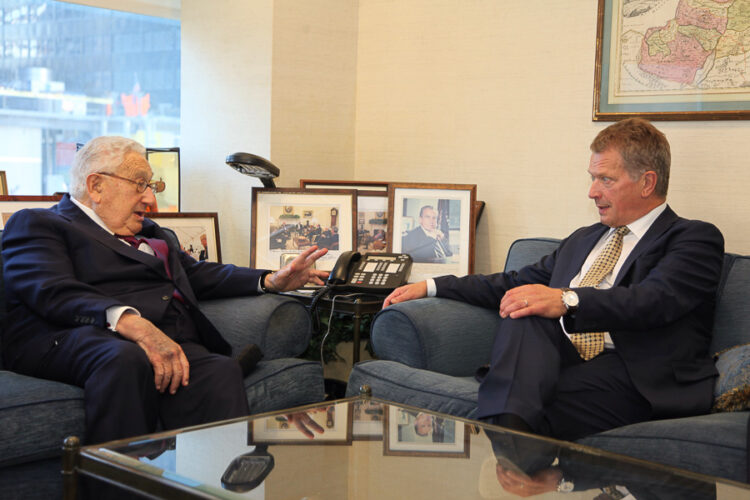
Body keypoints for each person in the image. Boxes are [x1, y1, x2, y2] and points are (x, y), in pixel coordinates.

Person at [384, 118, 724, 445]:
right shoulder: (584, 238)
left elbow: (653, 300)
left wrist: (567, 300)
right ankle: (513, 436)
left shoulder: (693, 238)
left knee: (526, 399)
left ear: (647, 183)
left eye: (605, 180)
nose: (592, 192)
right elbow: (513, 281)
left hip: (634, 372)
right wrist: (432, 286)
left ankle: (508, 434)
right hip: (555, 359)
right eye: (592, 178)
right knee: (524, 304)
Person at [1, 136, 330, 446]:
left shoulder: (153, 234)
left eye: (151, 185)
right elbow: (51, 290)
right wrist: (137, 326)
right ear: (96, 186)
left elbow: (197, 275)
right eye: (140, 185)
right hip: (74, 334)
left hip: (164, 339)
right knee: (125, 358)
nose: (151, 199)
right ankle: (117, 485)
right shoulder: (40, 223)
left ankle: (213, 482)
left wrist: (271, 280)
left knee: (220, 370)